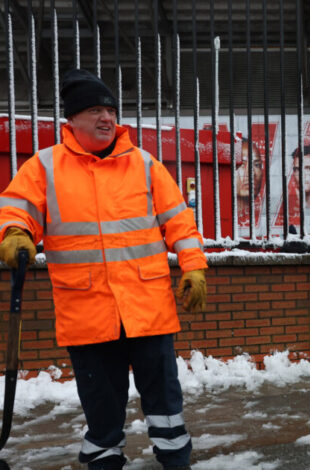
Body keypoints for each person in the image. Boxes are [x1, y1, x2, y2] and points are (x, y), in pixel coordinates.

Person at [0, 69, 207, 469]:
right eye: (95, 110)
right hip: (88, 312)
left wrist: (194, 267)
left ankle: (176, 461)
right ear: (72, 121)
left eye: (111, 110)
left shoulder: (144, 165)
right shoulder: (45, 167)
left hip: (148, 309)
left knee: (165, 403)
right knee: (102, 409)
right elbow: (17, 207)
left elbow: (181, 223)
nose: (107, 118)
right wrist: (14, 233)